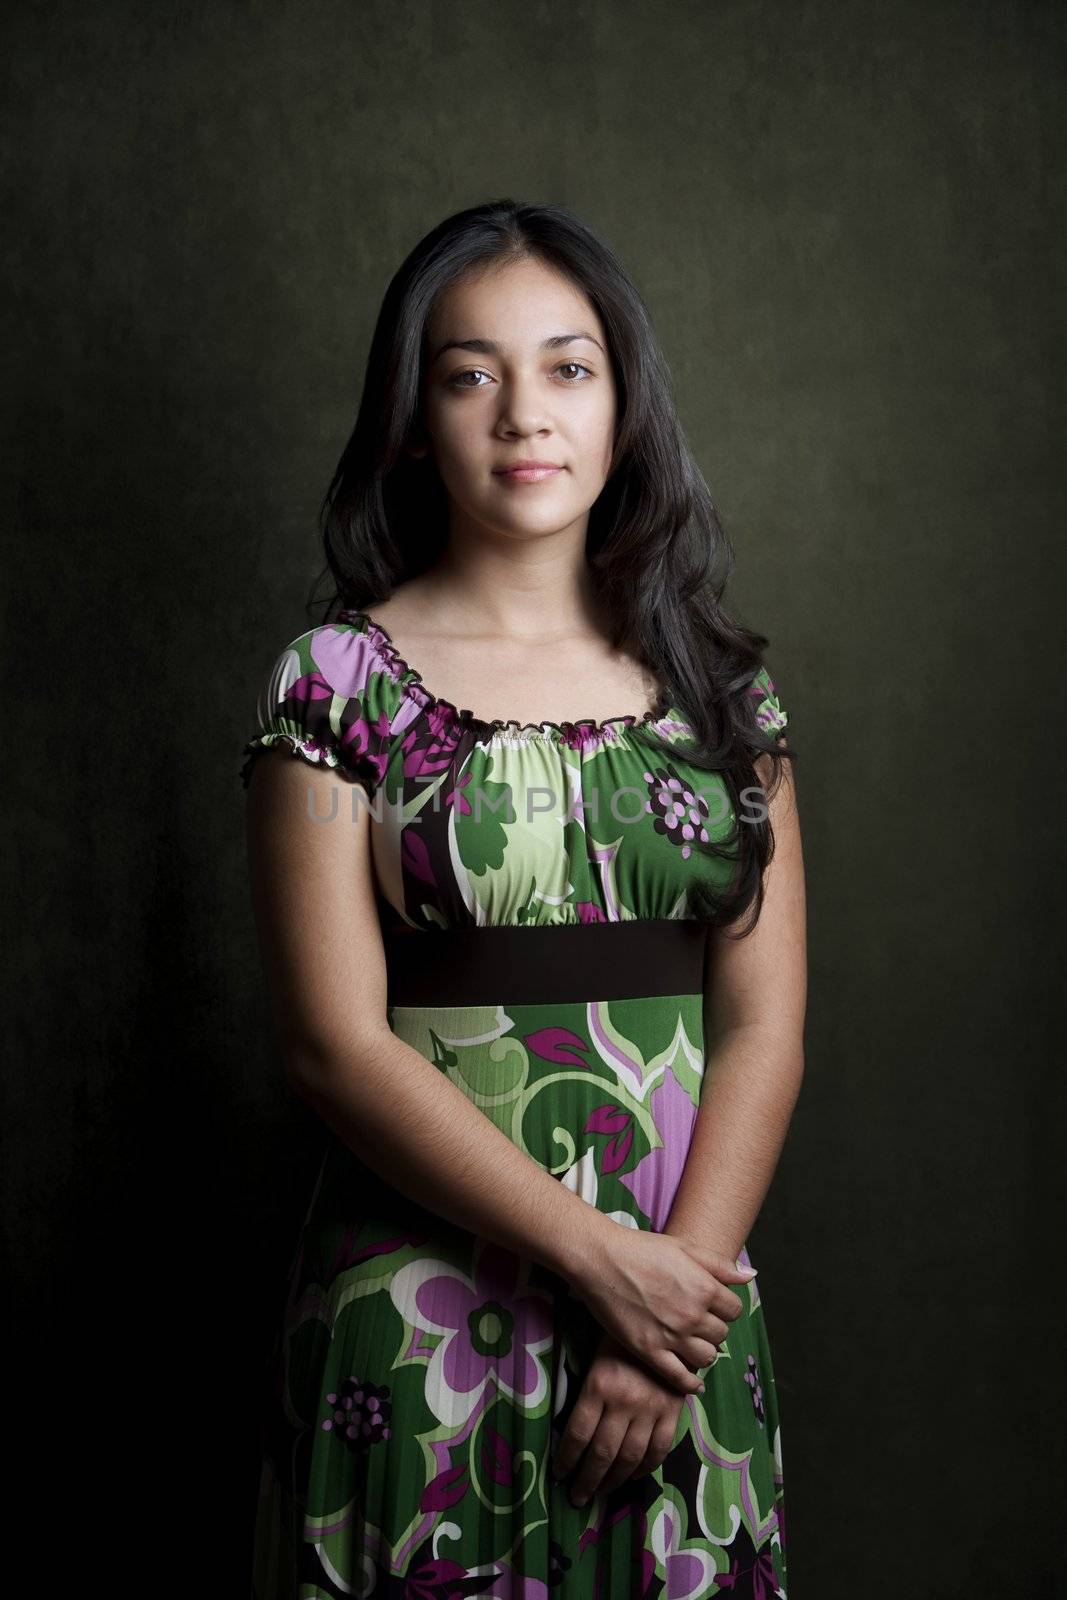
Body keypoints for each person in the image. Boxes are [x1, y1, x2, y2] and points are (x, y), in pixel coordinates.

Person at [241, 198, 806, 1598]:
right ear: (414, 418)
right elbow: (332, 1042)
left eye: (567, 368)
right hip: (419, 1318)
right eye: (469, 373)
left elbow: (764, 1031)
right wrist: (602, 1264)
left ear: (626, 406)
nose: (521, 417)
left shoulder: (726, 697)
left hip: (682, 1317)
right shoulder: (330, 688)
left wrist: (665, 1304)